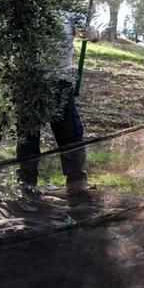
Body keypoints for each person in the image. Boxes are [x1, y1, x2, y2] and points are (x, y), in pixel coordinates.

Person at [16, 12, 99, 196]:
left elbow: (91, 35)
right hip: (31, 82)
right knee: (28, 136)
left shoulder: (69, 13)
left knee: (70, 134)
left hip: (60, 83)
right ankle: (26, 184)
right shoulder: (26, 5)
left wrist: (92, 32)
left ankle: (76, 184)